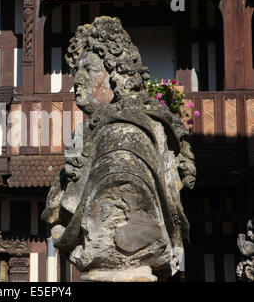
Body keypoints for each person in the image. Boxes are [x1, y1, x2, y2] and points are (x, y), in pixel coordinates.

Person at [41, 16, 196, 281]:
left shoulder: (125, 138)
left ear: (117, 75)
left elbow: (113, 234)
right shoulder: (96, 135)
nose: (76, 81)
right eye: (75, 71)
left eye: (88, 70)